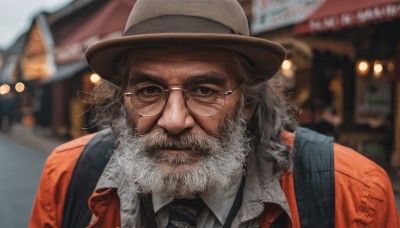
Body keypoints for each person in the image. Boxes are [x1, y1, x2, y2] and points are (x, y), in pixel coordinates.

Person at [30, 0, 399, 227]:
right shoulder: (68, 176)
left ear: (249, 102)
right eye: (148, 90)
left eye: (204, 91)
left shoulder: (352, 195)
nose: (174, 120)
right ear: (124, 100)